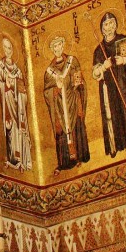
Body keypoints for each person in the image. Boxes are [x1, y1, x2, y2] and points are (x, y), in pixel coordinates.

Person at [92, 12, 126, 158]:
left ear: (116, 24)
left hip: (124, 83)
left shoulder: (123, 39)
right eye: (106, 24)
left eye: (111, 23)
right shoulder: (99, 49)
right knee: (113, 114)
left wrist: (124, 60)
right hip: (109, 88)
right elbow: (95, 73)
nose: (109, 27)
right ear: (102, 28)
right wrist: (104, 66)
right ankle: (114, 145)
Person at [43, 36, 89, 173]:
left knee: (76, 126)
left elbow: (79, 80)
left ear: (63, 45)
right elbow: (46, 92)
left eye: (59, 45)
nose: (57, 48)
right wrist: (56, 88)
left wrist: (76, 83)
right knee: (62, 131)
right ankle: (65, 162)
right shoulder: (49, 71)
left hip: (73, 101)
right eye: (54, 46)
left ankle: (80, 155)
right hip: (59, 107)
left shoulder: (72, 61)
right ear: (52, 49)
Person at [0, 36, 33, 171]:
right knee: (11, 129)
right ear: (2, 49)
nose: (8, 50)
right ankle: (14, 159)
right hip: (8, 103)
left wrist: (17, 87)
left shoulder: (17, 69)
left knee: (20, 129)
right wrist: (5, 85)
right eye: (5, 47)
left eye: (10, 47)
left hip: (19, 106)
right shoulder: (1, 66)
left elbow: (23, 88)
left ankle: (23, 159)